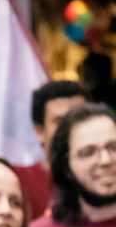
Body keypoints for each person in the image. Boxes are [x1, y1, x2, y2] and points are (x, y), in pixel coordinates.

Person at [14, 80, 88, 219]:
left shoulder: (108, 175)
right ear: (39, 131)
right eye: (60, 122)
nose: (71, 128)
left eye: (80, 118)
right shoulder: (18, 181)